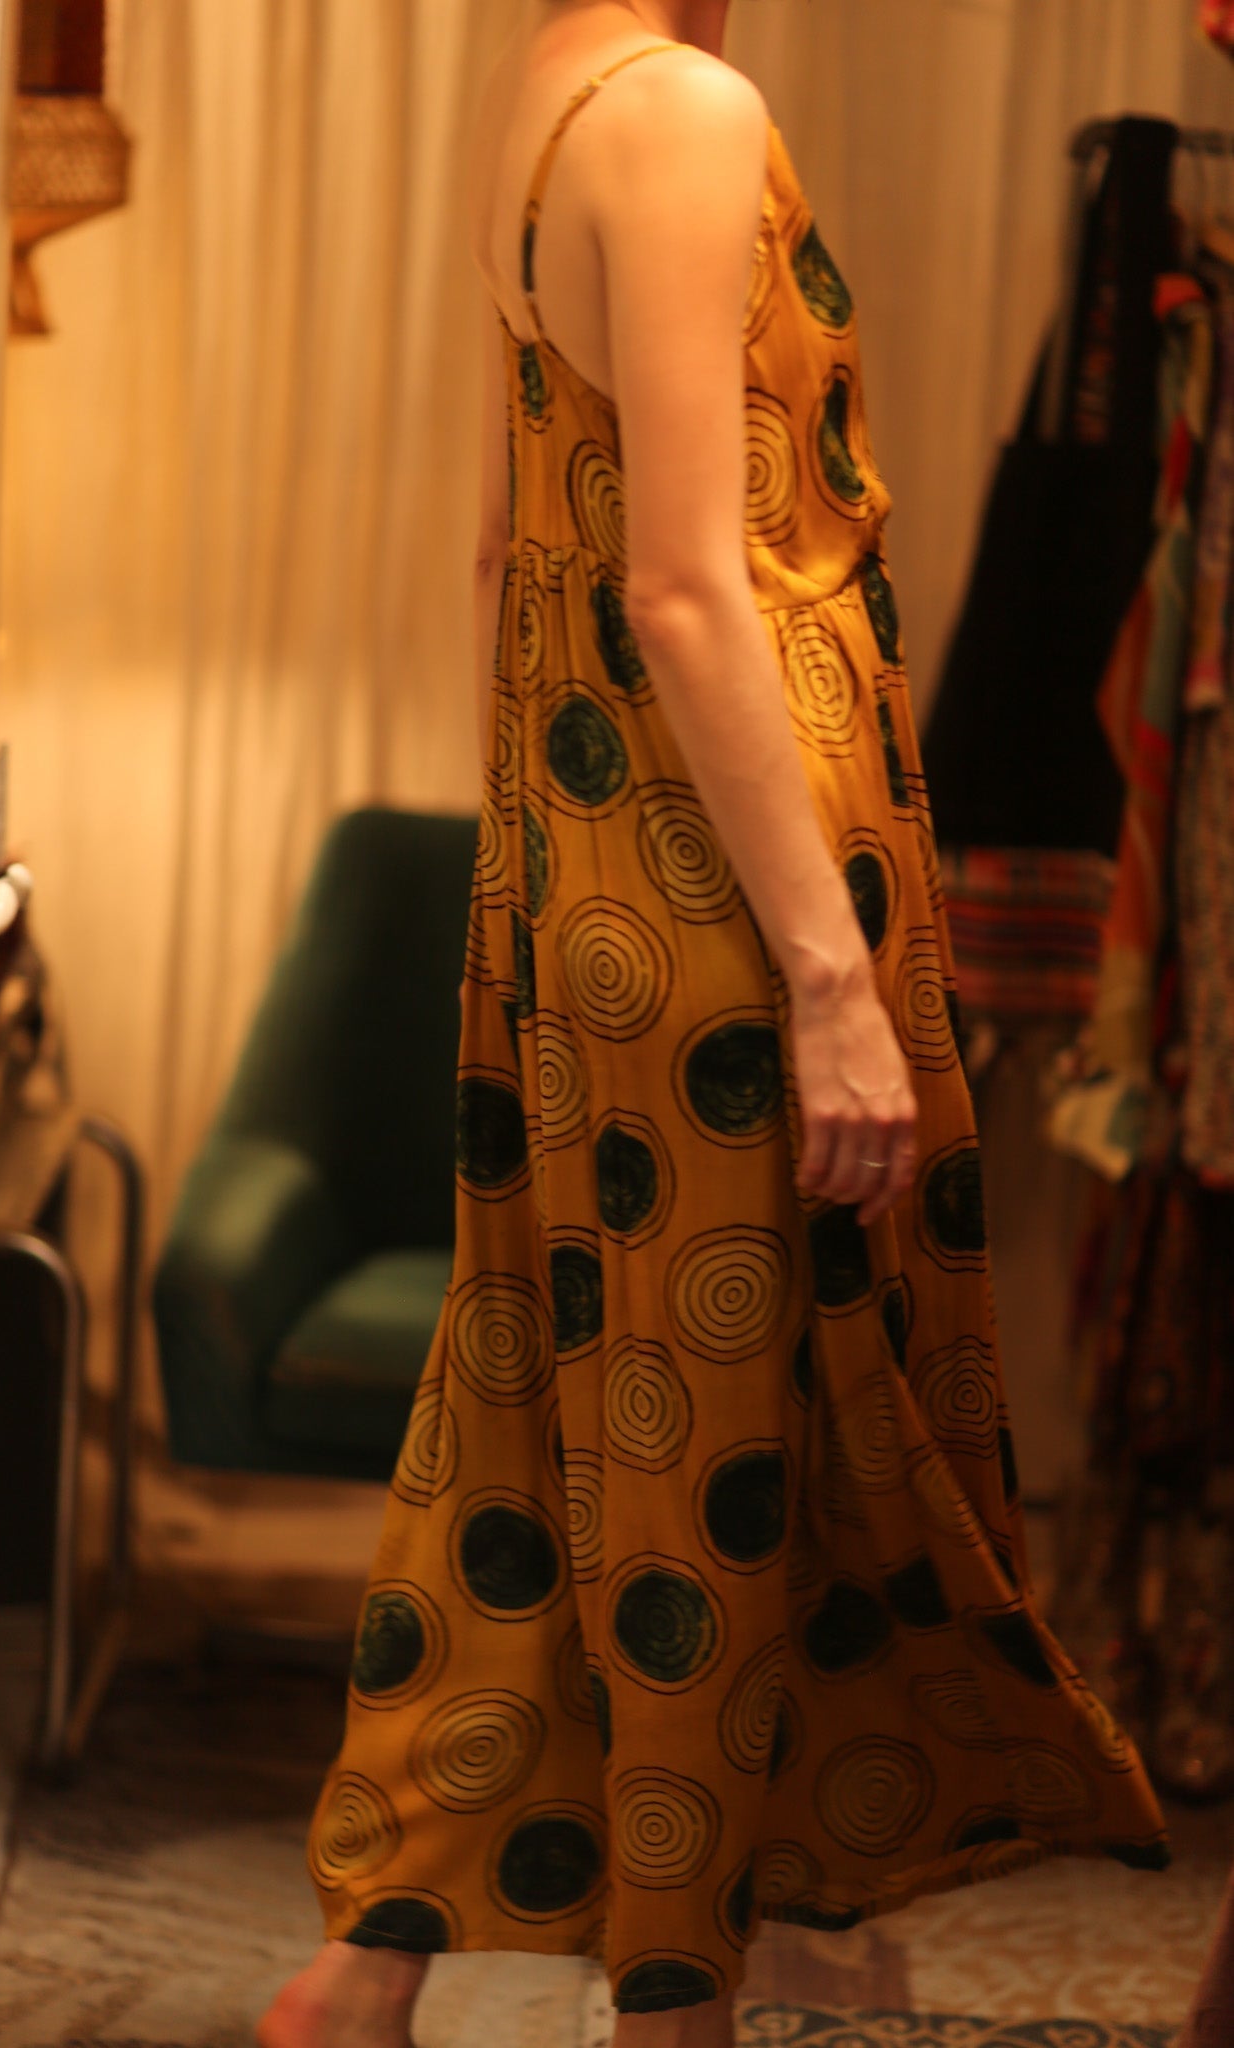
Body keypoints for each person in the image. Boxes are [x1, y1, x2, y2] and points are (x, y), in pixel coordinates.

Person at [258, 4, 1169, 2045]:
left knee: (548, 1415)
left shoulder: (544, 92)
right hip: (723, 908)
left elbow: (507, 556)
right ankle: (674, 2005)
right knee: (726, 1452)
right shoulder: (679, 109)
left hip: (599, 863)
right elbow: (683, 584)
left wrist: (540, 879)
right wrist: (828, 977)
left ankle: (367, 1963)